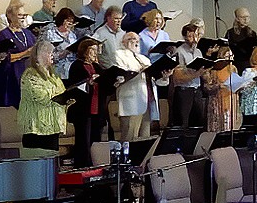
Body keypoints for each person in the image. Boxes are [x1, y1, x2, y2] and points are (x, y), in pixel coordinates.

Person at [17, 40, 68, 150]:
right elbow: (41, 96)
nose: (52, 55)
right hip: (36, 128)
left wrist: (65, 97)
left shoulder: (53, 74)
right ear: (41, 54)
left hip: (53, 126)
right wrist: (57, 94)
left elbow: (62, 91)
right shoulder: (30, 74)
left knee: (52, 163)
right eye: (50, 53)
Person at [0, 0, 36, 108]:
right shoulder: (4, 34)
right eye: (20, 15)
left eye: (25, 15)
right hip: (11, 77)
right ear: (10, 16)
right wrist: (24, 54)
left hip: (28, 75)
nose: (23, 18)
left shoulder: (28, 33)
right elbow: (2, 57)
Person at [67, 39, 106, 167]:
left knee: (96, 140)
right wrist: (88, 82)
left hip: (97, 108)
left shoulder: (97, 67)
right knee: (83, 141)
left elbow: (106, 85)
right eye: (92, 50)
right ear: (84, 51)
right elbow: (74, 87)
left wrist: (115, 82)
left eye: (96, 50)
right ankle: (83, 166)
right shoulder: (76, 66)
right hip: (82, 109)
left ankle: (96, 165)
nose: (95, 53)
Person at [114, 32, 156, 141]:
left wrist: (164, 75)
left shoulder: (144, 58)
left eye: (136, 40)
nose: (134, 41)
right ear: (123, 42)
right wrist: (139, 70)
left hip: (146, 99)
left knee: (145, 137)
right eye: (130, 39)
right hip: (131, 100)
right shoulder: (119, 54)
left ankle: (143, 157)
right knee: (130, 136)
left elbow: (154, 78)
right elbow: (121, 74)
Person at [172, 23, 207, 128]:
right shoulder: (180, 51)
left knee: (198, 122)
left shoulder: (198, 51)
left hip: (197, 90)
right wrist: (196, 74)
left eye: (196, 35)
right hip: (184, 91)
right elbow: (178, 77)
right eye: (191, 36)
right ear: (185, 37)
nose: (194, 39)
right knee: (183, 123)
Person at [203, 47, 242, 132]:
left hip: (231, 102)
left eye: (231, 56)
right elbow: (207, 87)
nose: (230, 58)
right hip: (217, 102)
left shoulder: (233, 68)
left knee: (231, 129)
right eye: (227, 56)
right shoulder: (213, 70)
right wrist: (218, 86)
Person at [40, 7, 78, 82]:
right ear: (61, 20)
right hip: (57, 70)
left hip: (72, 69)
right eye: (67, 21)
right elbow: (44, 55)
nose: (70, 24)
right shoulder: (50, 33)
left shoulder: (72, 35)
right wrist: (62, 54)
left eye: (72, 22)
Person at [225, 7, 257, 73]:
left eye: (247, 17)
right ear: (237, 18)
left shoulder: (252, 33)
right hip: (236, 63)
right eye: (242, 17)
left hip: (249, 63)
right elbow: (227, 50)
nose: (246, 19)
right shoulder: (230, 33)